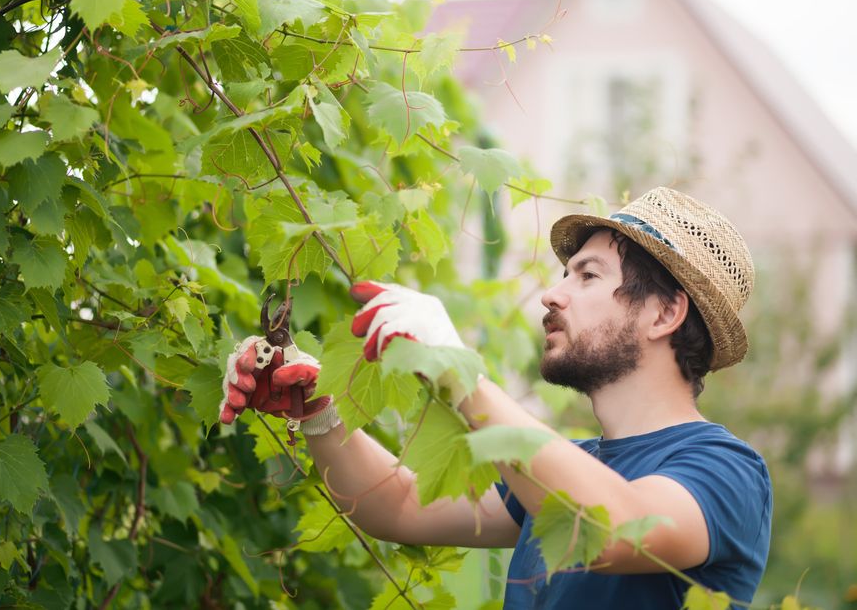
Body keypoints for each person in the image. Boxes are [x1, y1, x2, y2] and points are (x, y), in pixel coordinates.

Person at [220, 187, 773, 608]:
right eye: (563, 274)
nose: (552, 295)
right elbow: (402, 508)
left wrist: (460, 374)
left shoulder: (728, 472)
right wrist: (320, 411)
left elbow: (610, 530)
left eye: (587, 275)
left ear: (664, 313)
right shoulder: (568, 467)